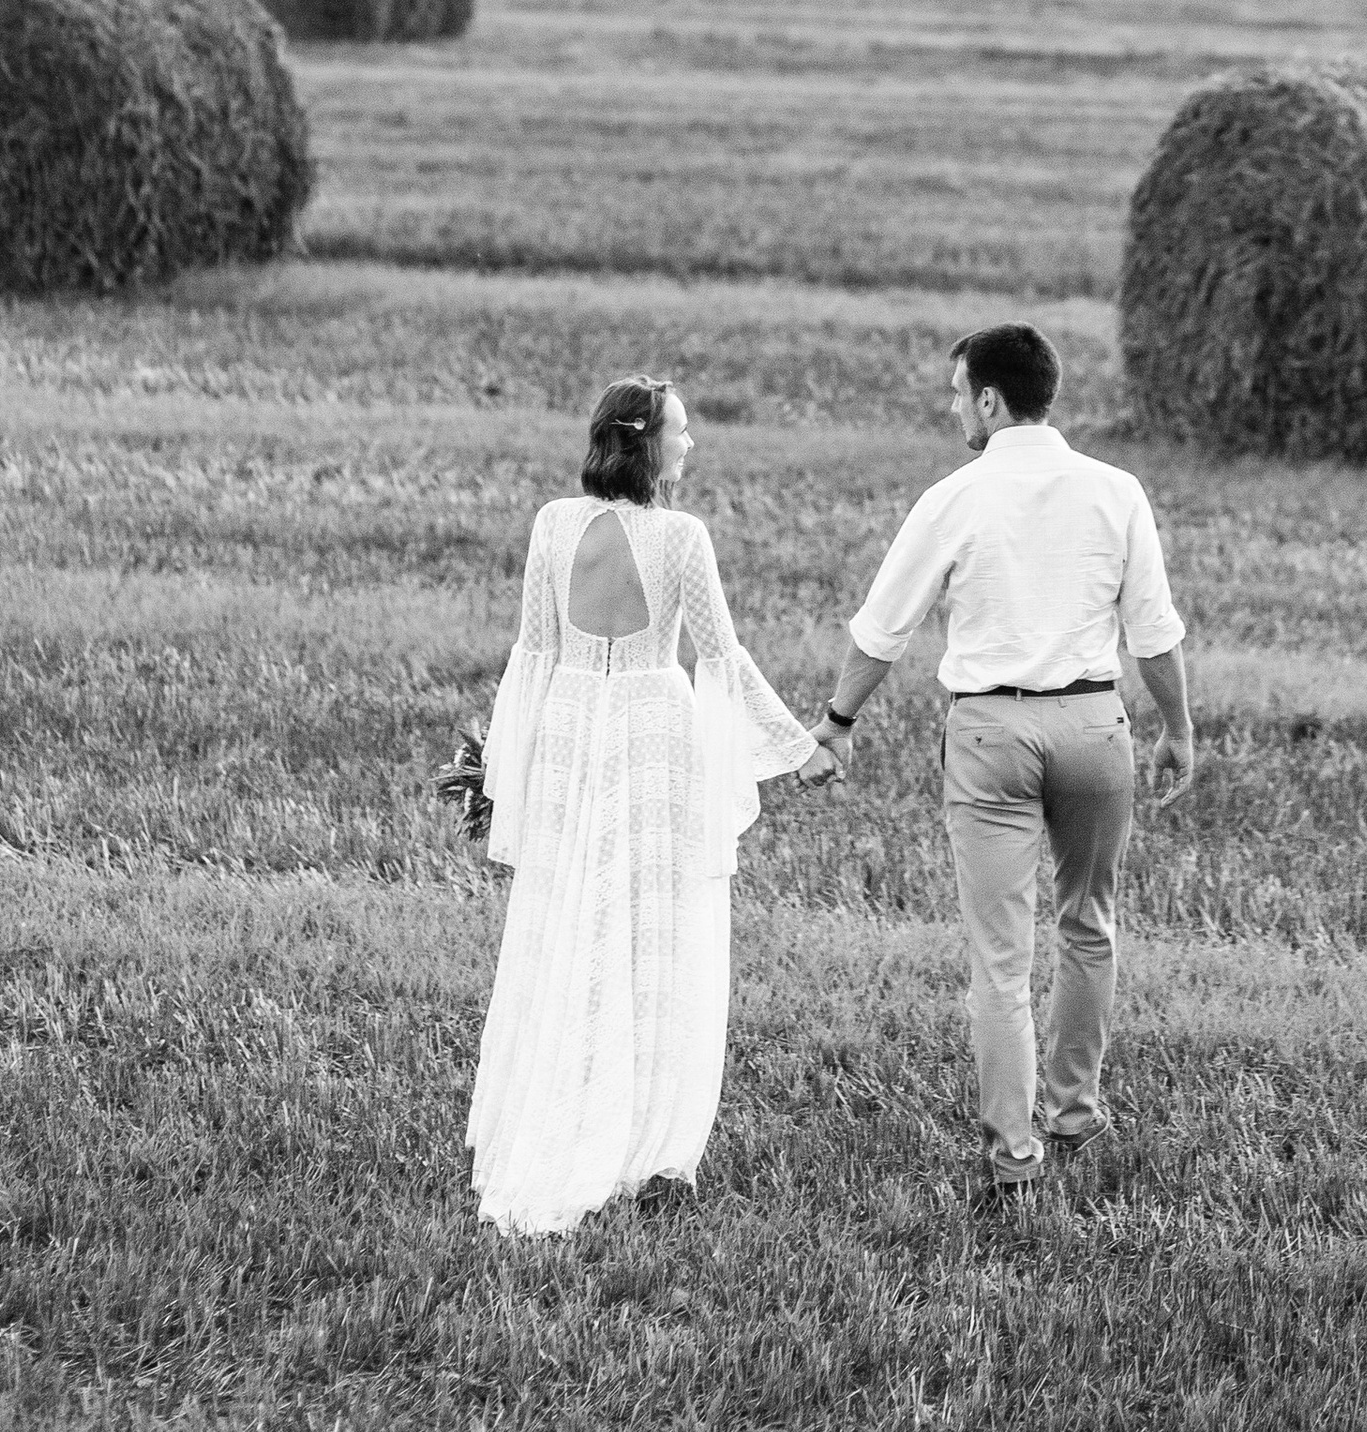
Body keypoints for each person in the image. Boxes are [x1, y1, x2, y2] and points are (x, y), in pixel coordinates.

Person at [812, 322, 1190, 1204]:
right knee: (1089, 924)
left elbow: (882, 629)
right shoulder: (1116, 490)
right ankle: (1075, 1112)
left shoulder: (956, 497)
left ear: (990, 398)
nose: (954, 408)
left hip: (990, 735)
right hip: (1098, 728)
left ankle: (1016, 1153)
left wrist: (837, 720)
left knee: (1001, 959)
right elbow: (1156, 632)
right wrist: (1178, 729)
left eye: (957, 393)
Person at [465, 373, 830, 1233]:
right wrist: (801, 748)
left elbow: (533, 656)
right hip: (648, 735)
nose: (692, 444)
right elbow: (722, 659)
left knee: (569, 917)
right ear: (647, 445)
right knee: (651, 924)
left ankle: (568, 1093)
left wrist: (507, 774)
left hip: (568, 732)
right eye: (682, 431)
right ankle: (643, 1138)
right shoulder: (679, 539)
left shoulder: (554, 525)